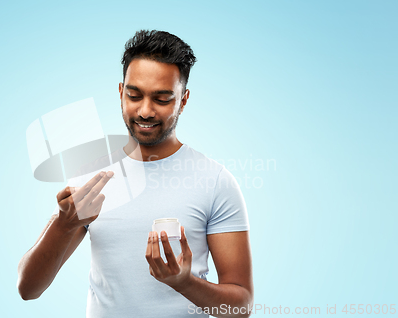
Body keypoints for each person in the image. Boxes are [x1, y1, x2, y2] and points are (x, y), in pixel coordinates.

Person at [17, 30, 253, 318]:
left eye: (162, 98)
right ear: (120, 93)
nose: (145, 111)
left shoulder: (215, 181)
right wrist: (63, 226)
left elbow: (241, 306)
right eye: (134, 95)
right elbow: (28, 289)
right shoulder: (90, 178)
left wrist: (184, 283)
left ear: (184, 99)